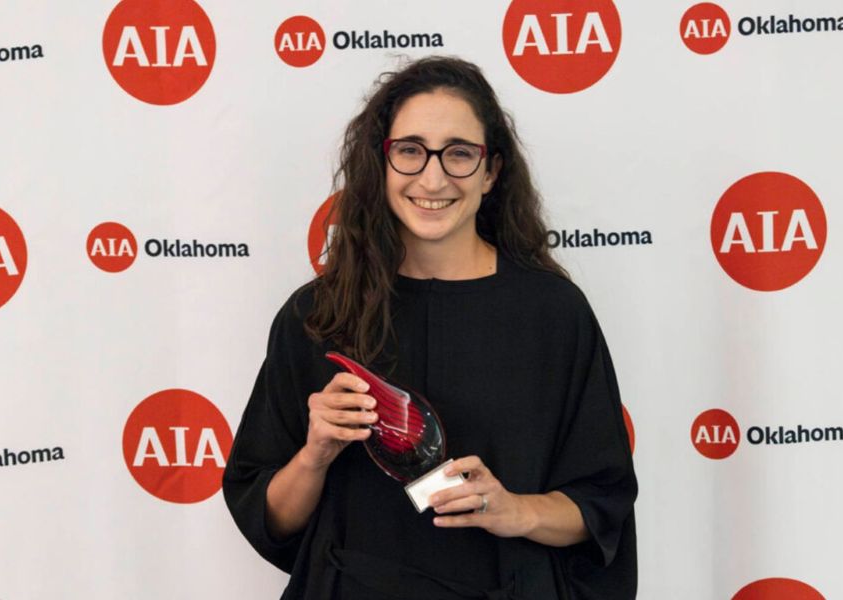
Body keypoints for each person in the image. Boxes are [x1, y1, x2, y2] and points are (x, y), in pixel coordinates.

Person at [223, 56, 637, 599]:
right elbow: (271, 520)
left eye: (460, 154)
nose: (433, 176)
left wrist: (516, 511)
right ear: (382, 163)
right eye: (411, 151)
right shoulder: (317, 316)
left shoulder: (554, 315)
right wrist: (315, 454)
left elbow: (600, 508)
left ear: (491, 173)